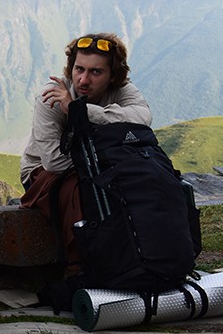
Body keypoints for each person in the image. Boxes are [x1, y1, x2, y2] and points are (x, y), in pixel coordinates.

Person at [19, 32, 152, 273]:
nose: (83, 80)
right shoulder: (50, 97)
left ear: (113, 76)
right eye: (79, 69)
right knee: (84, 189)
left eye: (96, 72)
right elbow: (54, 163)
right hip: (44, 174)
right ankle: (78, 267)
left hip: (103, 167)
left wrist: (79, 110)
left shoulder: (122, 91)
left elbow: (143, 119)